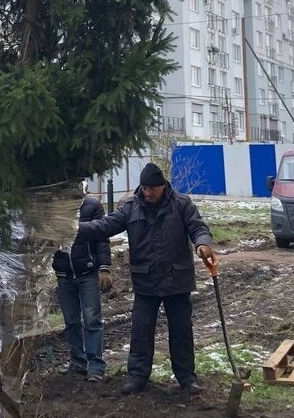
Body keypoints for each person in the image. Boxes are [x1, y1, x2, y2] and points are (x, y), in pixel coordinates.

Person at [76, 162, 215, 395]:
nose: (148, 193)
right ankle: (138, 376)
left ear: (163, 187)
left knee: (181, 331)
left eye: (152, 189)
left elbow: (198, 227)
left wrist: (203, 244)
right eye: (145, 188)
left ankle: (186, 378)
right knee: (141, 331)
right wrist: (75, 230)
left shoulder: (181, 204)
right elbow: (105, 226)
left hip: (176, 279)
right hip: (146, 281)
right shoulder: (131, 206)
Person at [52, 194, 113, 382]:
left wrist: (104, 267)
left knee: (92, 319)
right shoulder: (53, 208)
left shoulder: (91, 206)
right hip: (64, 274)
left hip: (87, 272)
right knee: (71, 321)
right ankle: (77, 362)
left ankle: (95, 365)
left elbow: (101, 238)